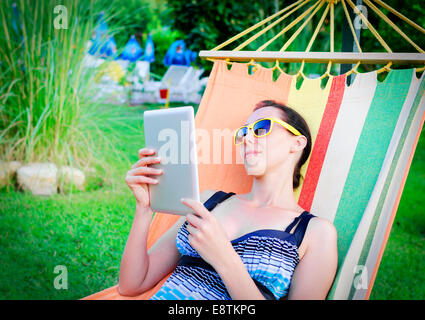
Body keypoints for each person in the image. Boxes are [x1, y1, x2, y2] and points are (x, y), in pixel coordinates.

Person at [118, 100, 338, 300]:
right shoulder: (209, 201)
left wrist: (223, 256)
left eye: (262, 128)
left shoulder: (315, 232)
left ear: (297, 143)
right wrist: (145, 207)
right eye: (243, 132)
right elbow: (132, 285)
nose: (247, 138)